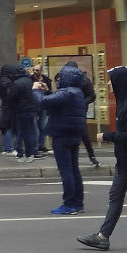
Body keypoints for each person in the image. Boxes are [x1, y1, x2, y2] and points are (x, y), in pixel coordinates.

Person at [77, 66, 127, 250]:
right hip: (126, 161)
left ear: (120, 82)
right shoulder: (124, 102)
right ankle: (102, 237)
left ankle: (103, 236)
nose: (108, 84)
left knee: (116, 196)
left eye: (111, 80)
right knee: (115, 196)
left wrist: (107, 136)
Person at [36, 66, 87, 214]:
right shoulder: (77, 92)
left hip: (62, 134)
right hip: (74, 134)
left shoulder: (66, 92)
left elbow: (43, 102)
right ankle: (78, 202)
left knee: (66, 170)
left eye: (61, 77)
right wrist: (48, 91)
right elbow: (57, 102)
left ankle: (69, 204)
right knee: (74, 168)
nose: (59, 80)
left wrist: (36, 90)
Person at [8, 59, 40, 161]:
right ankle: (31, 152)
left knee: (23, 132)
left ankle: (24, 153)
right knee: (30, 132)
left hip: (21, 110)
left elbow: (12, 97)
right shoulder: (28, 81)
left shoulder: (16, 83)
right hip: (31, 109)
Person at [0, 63, 19, 154]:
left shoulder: (2, 80)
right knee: (8, 126)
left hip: (6, 105)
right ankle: (9, 148)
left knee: (6, 126)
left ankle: (6, 147)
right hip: (9, 106)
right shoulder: (6, 81)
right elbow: (10, 93)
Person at [32, 62, 52, 153]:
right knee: (34, 127)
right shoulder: (30, 79)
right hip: (33, 106)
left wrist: (46, 89)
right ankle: (34, 146)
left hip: (44, 106)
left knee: (43, 127)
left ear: (41, 71)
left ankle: (41, 145)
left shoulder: (47, 80)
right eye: (34, 70)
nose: (35, 72)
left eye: (37, 70)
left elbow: (49, 93)